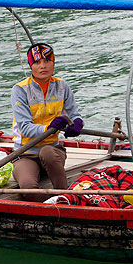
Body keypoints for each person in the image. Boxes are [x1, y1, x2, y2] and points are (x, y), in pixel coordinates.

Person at [11, 43, 84, 202]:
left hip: (53, 152)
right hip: (25, 154)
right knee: (28, 187)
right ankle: (49, 206)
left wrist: (77, 124)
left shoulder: (62, 86)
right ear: (31, 66)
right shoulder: (20, 90)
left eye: (47, 60)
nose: (43, 66)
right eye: (37, 62)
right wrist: (48, 128)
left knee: (47, 151)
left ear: (54, 63)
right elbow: (25, 128)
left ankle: (65, 196)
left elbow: (73, 114)